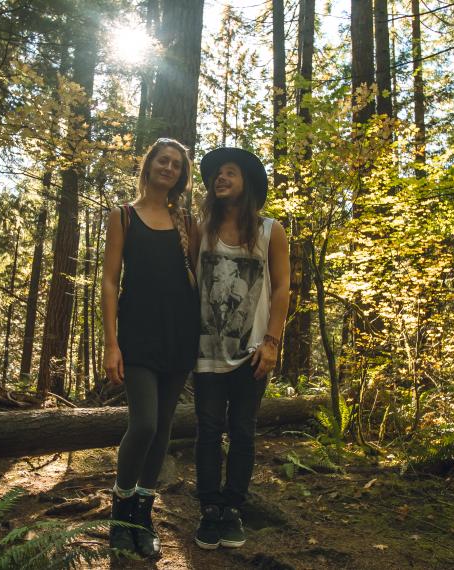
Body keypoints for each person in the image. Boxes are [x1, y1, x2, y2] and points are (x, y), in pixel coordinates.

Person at [101, 138, 200, 559]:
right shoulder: (123, 216)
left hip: (180, 333)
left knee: (162, 428)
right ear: (149, 165)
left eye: (177, 164)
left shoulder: (187, 221)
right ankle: (120, 512)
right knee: (143, 424)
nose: (169, 167)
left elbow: (203, 274)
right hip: (137, 334)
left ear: (182, 175)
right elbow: (109, 281)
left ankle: (143, 515)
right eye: (163, 160)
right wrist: (111, 343)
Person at [192, 147, 290, 550]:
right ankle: (209, 509)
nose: (221, 177)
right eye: (217, 173)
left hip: (252, 351)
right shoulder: (201, 229)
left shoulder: (270, 231)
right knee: (208, 430)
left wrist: (272, 342)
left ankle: (232, 508)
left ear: (246, 182)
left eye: (230, 172)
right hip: (206, 351)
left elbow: (282, 288)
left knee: (243, 431)